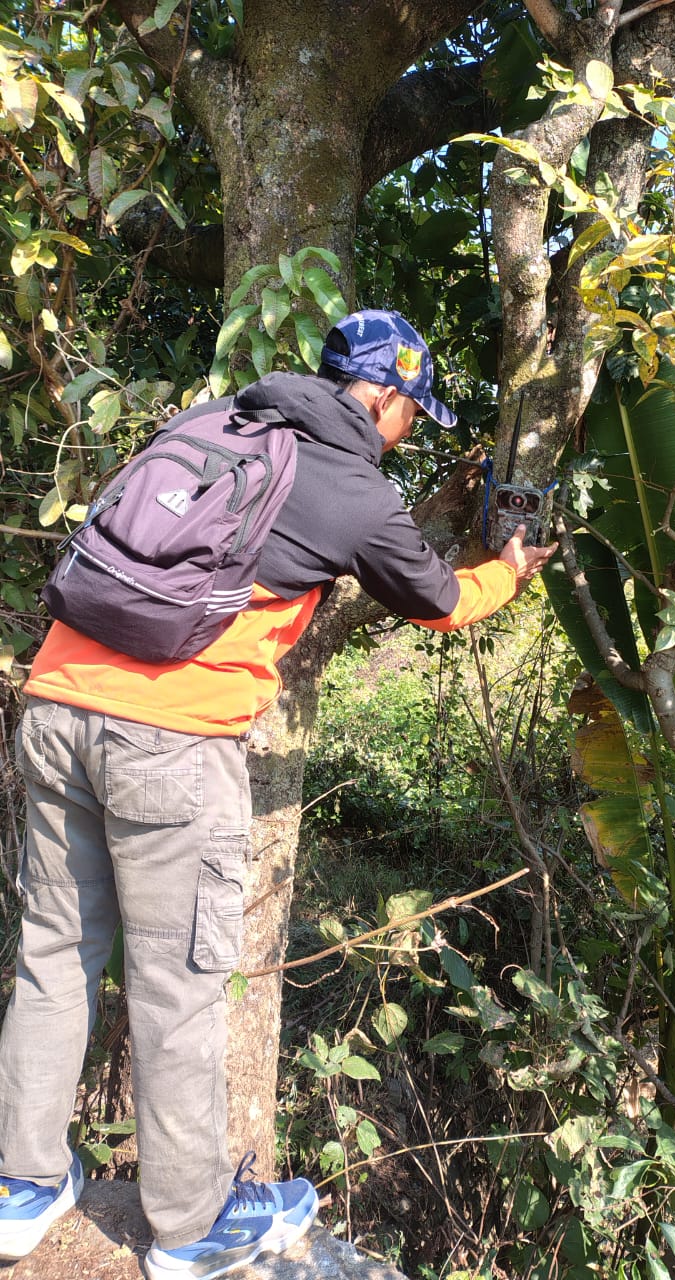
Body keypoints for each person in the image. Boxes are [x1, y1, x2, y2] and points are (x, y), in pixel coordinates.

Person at [0, 309, 557, 1279]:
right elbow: (439, 603)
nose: (412, 429)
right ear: (382, 397)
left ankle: (19, 1185)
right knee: (178, 982)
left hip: (52, 703)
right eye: (411, 412)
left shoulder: (214, 424)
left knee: (54, 953)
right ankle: (188, 1224)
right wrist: (506, 572)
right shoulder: (351, 485)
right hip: (166, 740)